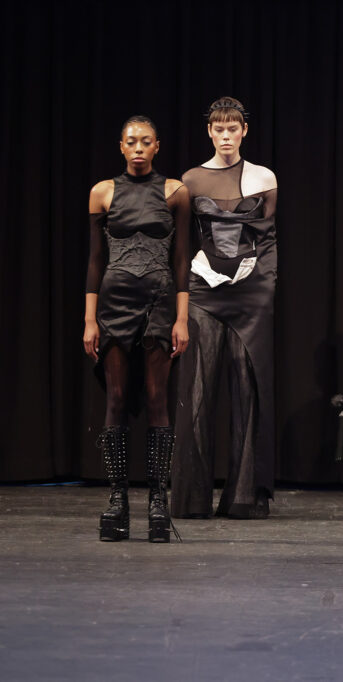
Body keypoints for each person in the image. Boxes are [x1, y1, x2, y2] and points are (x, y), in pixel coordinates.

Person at [171, 96, 279, 520]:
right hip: (204, 289)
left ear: (244, 131)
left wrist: (265, 289)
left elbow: (268, 242)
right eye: (219, 129)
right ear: (210, 132)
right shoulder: (192, 179)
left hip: (251, 293)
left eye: (233, 128)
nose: (226, 136)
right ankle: (192, 498)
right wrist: (187, 287)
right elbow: (183, 243)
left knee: (248, 388)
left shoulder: (263, 177)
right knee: (197, 387)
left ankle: (244, 497)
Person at [84, 115, 190, 542]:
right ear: (122, 146)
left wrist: (182, 317)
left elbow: (182, 258)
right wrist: (89, 319)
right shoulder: (102, 192)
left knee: (157, 397)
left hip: (160, 302)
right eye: (132, 141)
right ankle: (118, 501)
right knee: (115, 397)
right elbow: (95, 259)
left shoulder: (175, 191)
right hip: (114, 303)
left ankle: (158, 503)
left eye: (146, 141)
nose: (139, 148)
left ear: (157, 145)